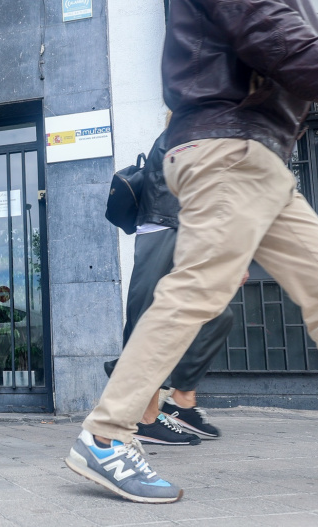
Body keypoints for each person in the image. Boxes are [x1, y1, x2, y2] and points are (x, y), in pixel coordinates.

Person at [66, 0, 318, 504]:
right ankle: (107, 433)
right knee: (199, 287)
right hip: (227, 146)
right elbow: (272, 31)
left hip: (258, 156)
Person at [103, 130, 239, 445]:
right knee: (148, 320)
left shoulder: (206, 128)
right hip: (162, 229)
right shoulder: (186, 130)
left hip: (186, 235)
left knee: (217, 315)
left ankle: (180, 400)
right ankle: (145, 418)